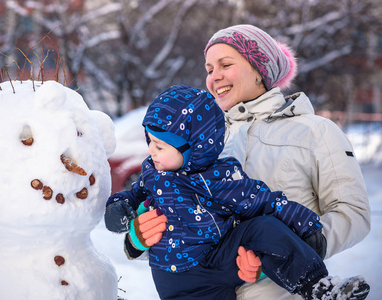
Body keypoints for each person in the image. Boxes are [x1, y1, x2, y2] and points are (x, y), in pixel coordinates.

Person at [104, 84, 370, 300]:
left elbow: (264, 200)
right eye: (149, 141)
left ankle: (317, 286)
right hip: (174, 278)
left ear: (193, 148)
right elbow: (133, 196)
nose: (150, 151)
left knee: (263, 226)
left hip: (218, 260)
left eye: (160, 145)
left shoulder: (219, 176)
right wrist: (123, 216)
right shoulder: (154, 171)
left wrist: (305, 227)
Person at [203, 24, 371, 299]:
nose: (214, 77)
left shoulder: (315, 131)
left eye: (225, 64)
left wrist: (291, 248)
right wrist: (140, 239)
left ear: (259, 70)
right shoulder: (206, 139)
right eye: (210, 69)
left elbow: (353, 212)